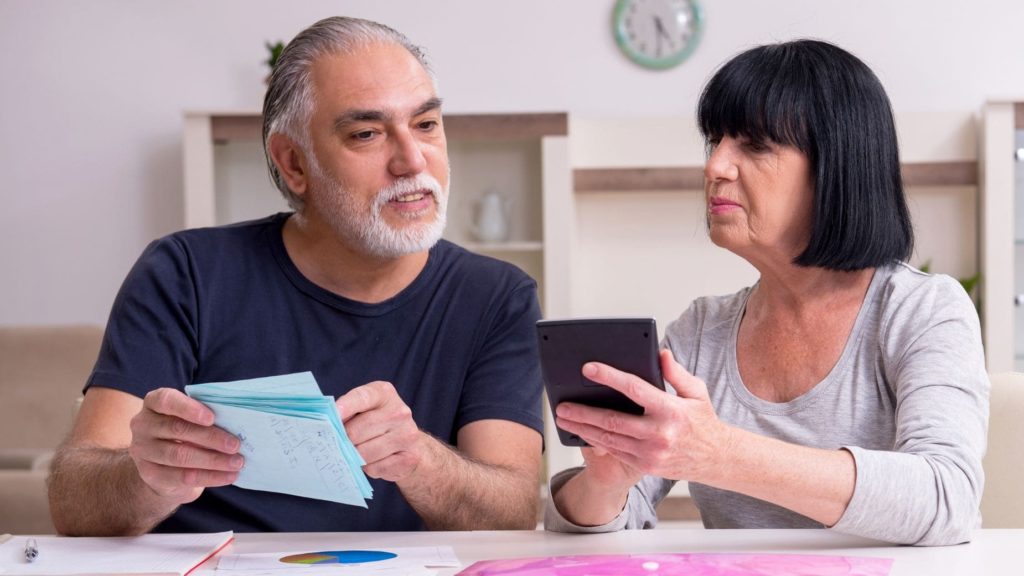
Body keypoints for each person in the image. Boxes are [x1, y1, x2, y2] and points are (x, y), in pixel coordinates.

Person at [48, 16, 544, 536]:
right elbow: (74, 504)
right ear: (293, 164)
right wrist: (145, 477)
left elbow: (512, 514)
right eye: (367, 134)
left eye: (425, 125)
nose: (412, 160)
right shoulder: (184, 273)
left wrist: (421, 460)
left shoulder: (498, 296)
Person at [545, 39, 989, 546]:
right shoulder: (700, 331)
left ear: (837, 166)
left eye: (754, 145)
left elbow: (947, 497)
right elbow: (592, 527)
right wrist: (608, 482)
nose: (715, 166)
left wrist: (720, 453)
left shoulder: (922, 311)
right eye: (716, 140)